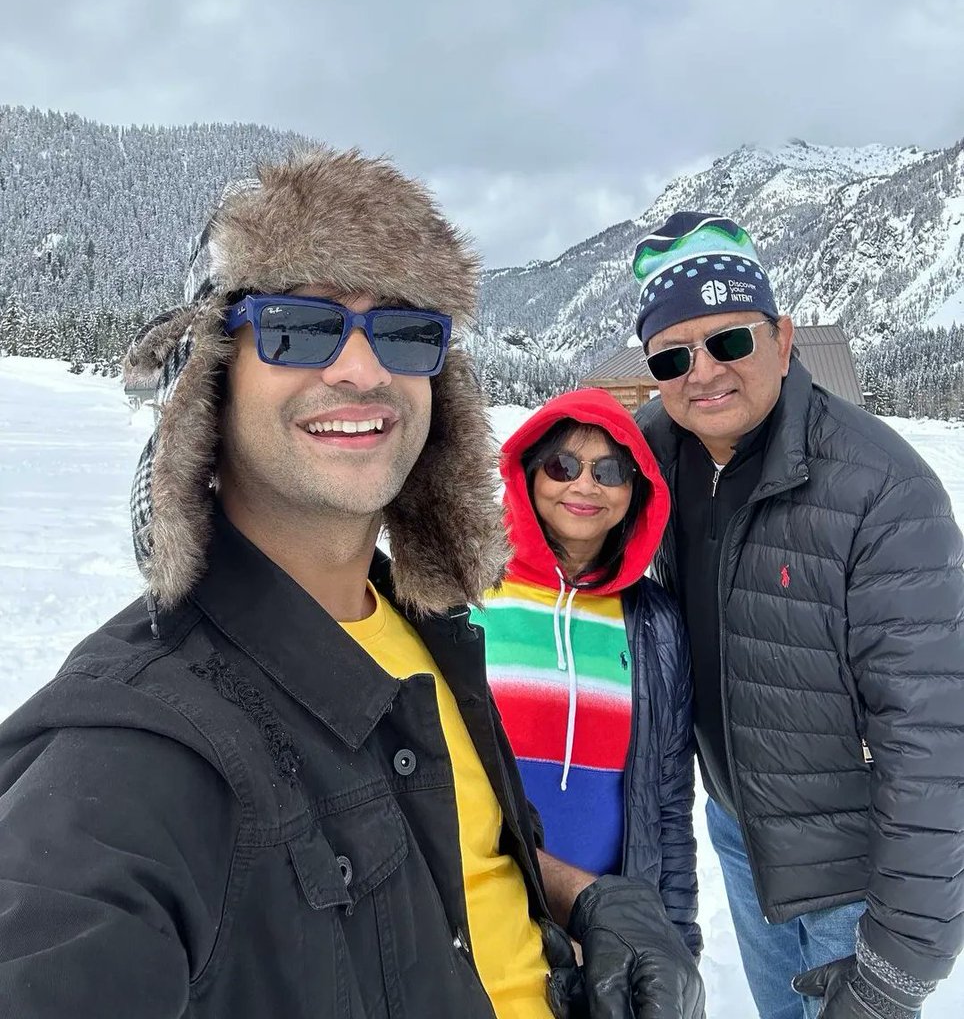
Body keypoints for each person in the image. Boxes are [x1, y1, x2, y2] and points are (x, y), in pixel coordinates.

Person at [0, 149, 705, 1019]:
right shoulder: (135, 744)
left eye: (406, 333)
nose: (363, 371)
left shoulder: (430, 624)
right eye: (302, 325)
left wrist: (581, 899)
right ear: (214, 375)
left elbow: (456, 842)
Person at [631, 211, 964, 1019]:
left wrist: (895, 972)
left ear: (783, 339)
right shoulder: (645, 461)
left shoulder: (884, 490)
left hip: (858, 863)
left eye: (730, 342)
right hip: (738, 833)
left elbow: (935, 744)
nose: (703, 372)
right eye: (673, 356)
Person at [472, 388, 700, 960]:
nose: (584, 485)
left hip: (605, 925)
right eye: (563, 465)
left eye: (610, 470)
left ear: (636, 489)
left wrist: (672, 938)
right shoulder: (466, 590)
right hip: (477, 912)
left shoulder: (653, 621)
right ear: (529, 474)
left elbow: (667, 796)